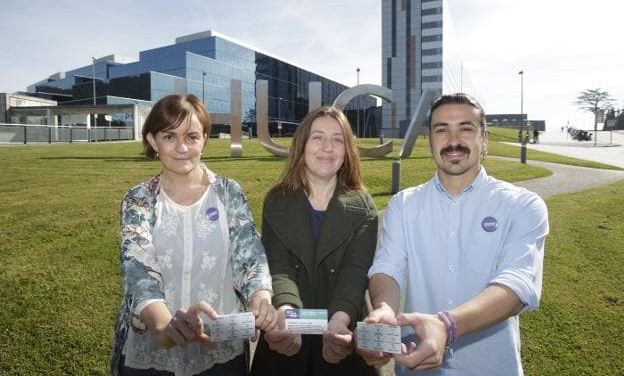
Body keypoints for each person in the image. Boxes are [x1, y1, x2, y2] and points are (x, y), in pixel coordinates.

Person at [359, 93, 549, 375]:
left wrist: (447, 325)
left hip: (490, 368)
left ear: (484, 139)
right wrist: (385, 309)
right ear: (430, 140)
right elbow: (388, 266)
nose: (453, 140)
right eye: (441, 130)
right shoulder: (404, 204)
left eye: (465, 128)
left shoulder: (522, 205)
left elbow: (518, 285)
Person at [110, 94, 278, 376]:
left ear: (205, 140)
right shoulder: (139, 199)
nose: (182, 148)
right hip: (153, 347)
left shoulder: (228, 192)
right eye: (169, 137)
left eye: (191, 137)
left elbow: (249, 253)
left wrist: (260, 298)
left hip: (221, 348)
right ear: (153, 141)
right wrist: (163, 326)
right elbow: (137, 267)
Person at [250, 106, 379, 376]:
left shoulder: (364, 206)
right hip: (286, 338)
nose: (327, 148)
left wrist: (340, 321)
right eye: (318, 137)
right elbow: (279, 266)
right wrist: (286, 312)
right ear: (302, 145)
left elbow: (355, 273)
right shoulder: (276, 201)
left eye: (337, 139)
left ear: (347, 151)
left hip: (341, 331)